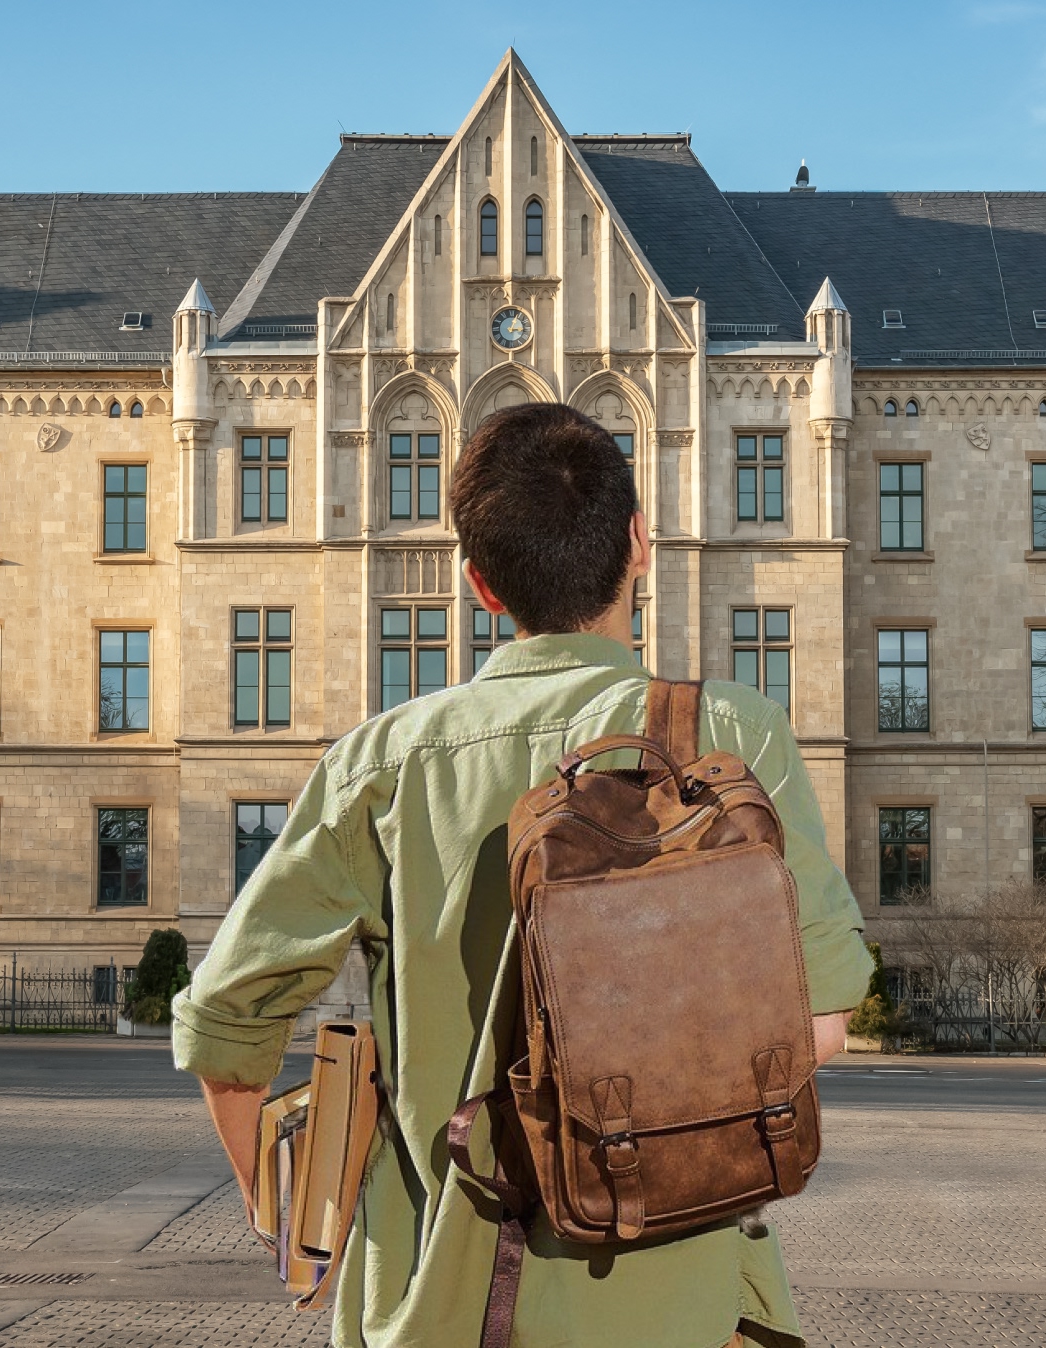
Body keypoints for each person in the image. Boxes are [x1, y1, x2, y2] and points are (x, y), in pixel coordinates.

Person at [173, 402, 872, 1348]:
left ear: (479, 585)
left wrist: (289, 1226)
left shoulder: (381, 764)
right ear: (639, 543)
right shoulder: (732, 737)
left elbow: (224, 1028)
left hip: (436, 1307)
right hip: (682, 1305)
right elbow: (820, 1027)